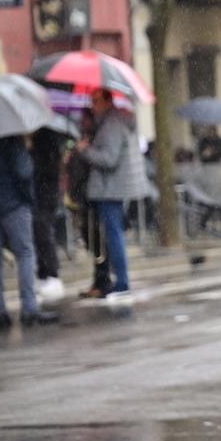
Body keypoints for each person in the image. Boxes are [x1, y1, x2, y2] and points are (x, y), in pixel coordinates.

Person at [77, 89, 146, 299]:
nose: (93, 105)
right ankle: (119, 280)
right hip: (113, 187)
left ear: (108, 101)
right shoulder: (112, 122)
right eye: (92, 101)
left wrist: (85, 151)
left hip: (109, 189)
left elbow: (109, 159)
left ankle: (122, 282)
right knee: (112, 235)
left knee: (113, 235)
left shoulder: (112, 125)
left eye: (97, 100)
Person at [0, 134, 59, 330]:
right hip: (14, 205)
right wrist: (27, 198)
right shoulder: (11, 139)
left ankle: (0, 312)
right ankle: (29, 308)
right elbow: (24, 171)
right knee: (26, 253)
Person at [70, 111, 111, 299]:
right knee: (91, 240)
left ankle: (103, 281)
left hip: (91, 197)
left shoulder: (95, 141)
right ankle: (99, 280)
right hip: (82, 196)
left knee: (97, 242)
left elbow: (100, 162)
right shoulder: (83, 140)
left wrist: (84, 151)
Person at [31, 125, 68, 302]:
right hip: (42, 194)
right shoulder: (42, 140)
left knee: (44, 233)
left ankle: (51, 273)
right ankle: (44, 273)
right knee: (39, 234)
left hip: (45, 195)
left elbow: (46, 168)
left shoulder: (46, 141)